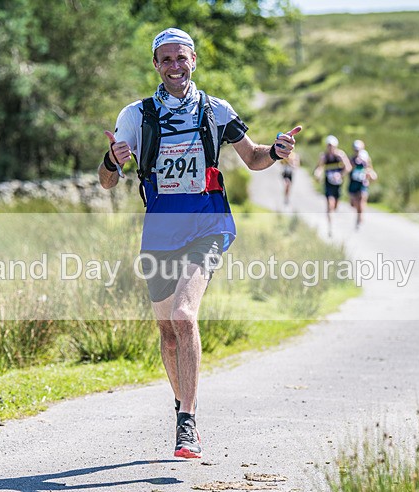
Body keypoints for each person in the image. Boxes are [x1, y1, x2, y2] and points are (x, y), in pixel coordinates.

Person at [98, 28, 301, 459]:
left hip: (208, 225)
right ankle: (181, 399)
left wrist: (278, 151)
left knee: (184, 315)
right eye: (166, 59)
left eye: (182, 58)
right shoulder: (137, 115)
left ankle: (186, 422)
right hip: (159, 230)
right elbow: (107, 181)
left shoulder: (215, 109)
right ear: (156, 64)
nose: (175, 66)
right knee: (167, 331)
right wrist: (110, 161)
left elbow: (253, 157)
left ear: (194, 60)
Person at [313, 135, 351, 236]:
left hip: (338, 184)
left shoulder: (340, 155)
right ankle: (330, 227)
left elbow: (348, 167)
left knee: (335, 205)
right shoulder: (324, 156)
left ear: (335, 146)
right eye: (328, 146)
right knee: (330, 204)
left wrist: (340, 175)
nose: (330, 148)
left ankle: (333, 217)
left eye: (332, 146)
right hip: (328, 183)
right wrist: (317, 174)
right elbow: (319, 168)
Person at [348, 140, 377, 229]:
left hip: (362, 184)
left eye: (358, 150)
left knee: (362, 199)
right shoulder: (352, 159)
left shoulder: (366, 159)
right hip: (353, 184)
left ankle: (359, 218)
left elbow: (370, 170)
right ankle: (359, 213)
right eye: (356, 150)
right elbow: (347, 169)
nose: (357, 151)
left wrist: (370, 174)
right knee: (353, 204)